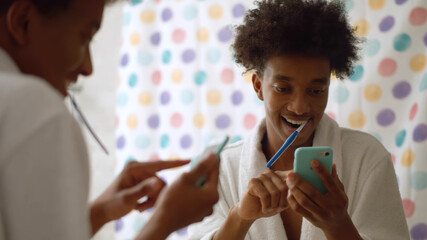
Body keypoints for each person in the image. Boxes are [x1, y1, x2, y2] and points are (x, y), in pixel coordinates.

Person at [188, 0, 410, 239]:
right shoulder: (223, 169)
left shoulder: (367, 157)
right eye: (283, 88)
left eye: (316, 91)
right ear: (259, 86)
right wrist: (241, 217)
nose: (300, 107)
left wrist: (337, 224)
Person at [0, 0, 219, 239]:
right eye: (84, 38)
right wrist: (166, 220)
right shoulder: (34, 107)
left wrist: (100, 211)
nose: (87, 67)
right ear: (23, 22)